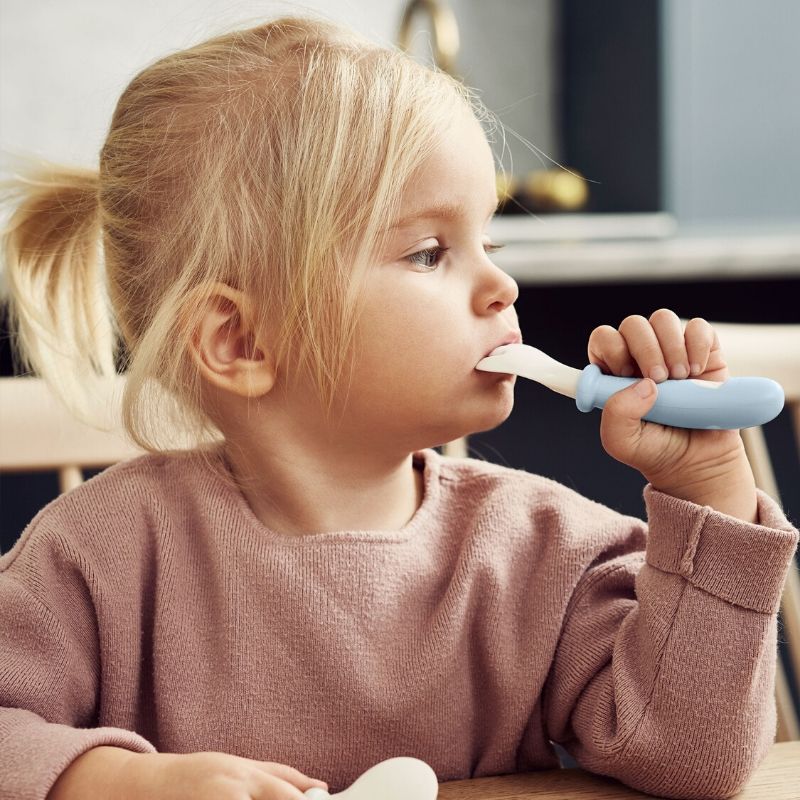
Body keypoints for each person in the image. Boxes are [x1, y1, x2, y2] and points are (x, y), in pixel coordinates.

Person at [1, 14, 797, 800]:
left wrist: (707, 490)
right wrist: (113, 780)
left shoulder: (545, 557)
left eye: (493, 242)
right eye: (429, 253)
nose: (502, 286)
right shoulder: (97, 561)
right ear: (241, 342)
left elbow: (693, 759)